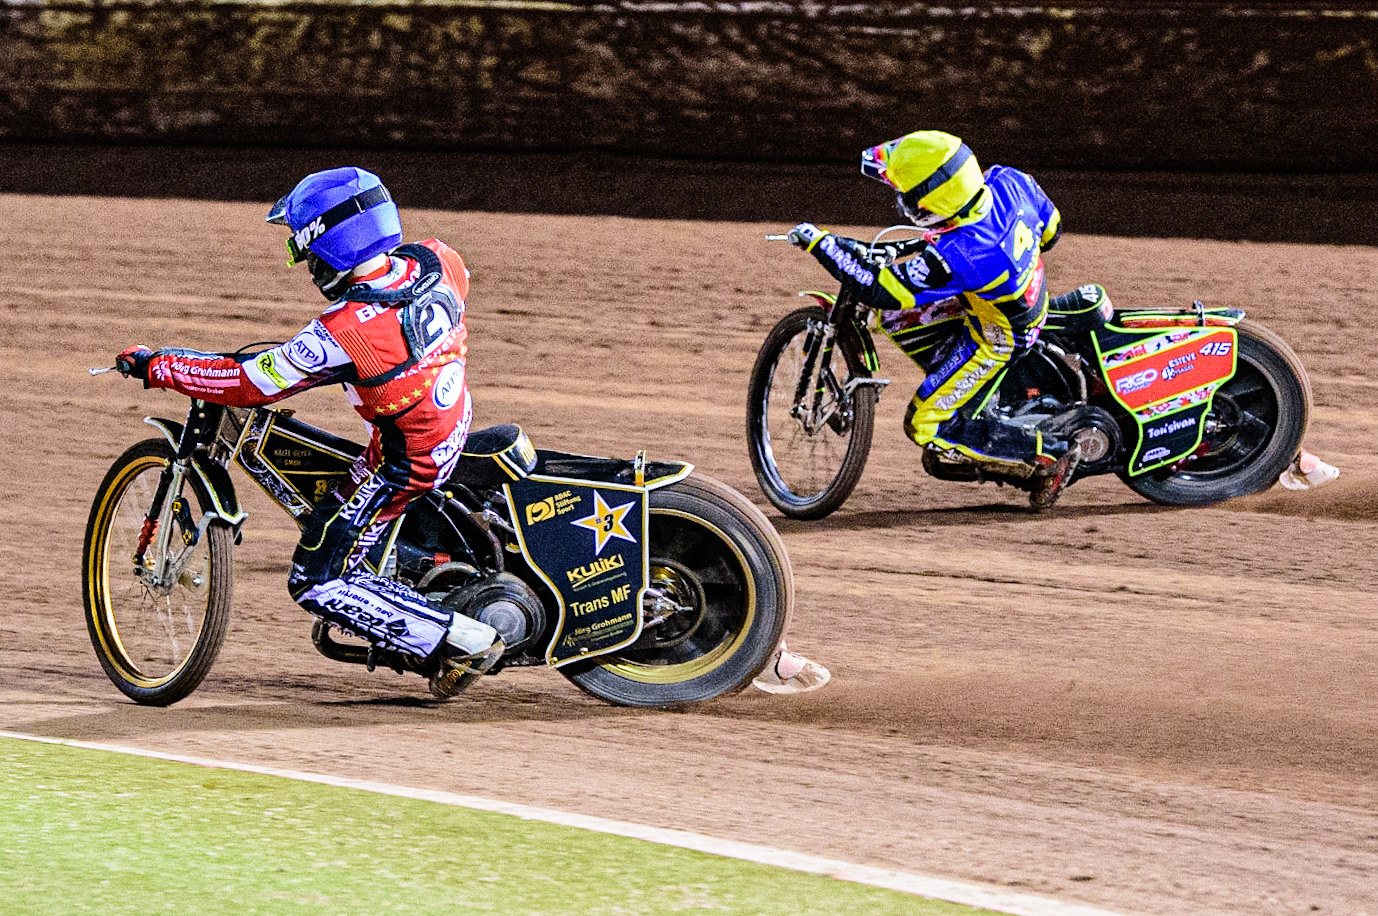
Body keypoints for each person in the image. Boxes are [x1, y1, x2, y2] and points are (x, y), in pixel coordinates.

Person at [115, 166, 502, 698]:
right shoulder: (438, 260)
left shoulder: (345, 331)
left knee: (316, 579)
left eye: (305, 251)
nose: (305, 264)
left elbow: (253, 382)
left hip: (405, 463)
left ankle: (464, 639)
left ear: (328, 247)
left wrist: (161, 366)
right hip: (451, 418)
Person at [788, 129, 1096, 508]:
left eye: (910, 199)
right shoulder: (1008, 181)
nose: (905, 206)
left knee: (924, 423)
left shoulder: (966, 253)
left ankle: (1046, 456)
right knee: (900, 316)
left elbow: (880, 289)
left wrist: (822, 245)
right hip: (1010, 296)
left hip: (997, 336)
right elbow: (1051, 232)